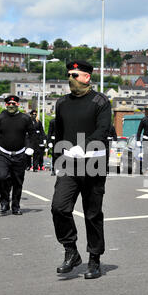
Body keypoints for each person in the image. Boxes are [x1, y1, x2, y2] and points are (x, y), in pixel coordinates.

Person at [52, 60, 111, 280]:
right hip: (68, 163)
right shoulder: (62, 103)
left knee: (92, 213)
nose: (70, 79)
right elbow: (59, 133)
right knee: (59, 207)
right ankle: (70, 250)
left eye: (75, 75)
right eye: (69, 74)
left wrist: (83, 147)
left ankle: (94, 258)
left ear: (86, 77)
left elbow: (103, 129)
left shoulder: (100, 101)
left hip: (93, 163)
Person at [0, 96, 36, 216]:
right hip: (3, 154)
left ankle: (15, 206)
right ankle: (4, 202)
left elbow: (32, 134)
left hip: (20, 154)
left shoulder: (25, 118)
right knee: (1, 177)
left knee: (17, 182)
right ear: (6, 105)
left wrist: (31, 147)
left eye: (13, 103)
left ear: (18, 104)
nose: (11, 105)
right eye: (9, 103)